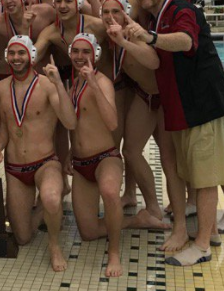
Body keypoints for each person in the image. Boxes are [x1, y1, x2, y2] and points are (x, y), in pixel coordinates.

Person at [129, 0, 224, 266]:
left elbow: (186, 41)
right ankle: (207, 232)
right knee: (194, 175)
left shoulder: (182, 10)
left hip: (202, 107)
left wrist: (149, 38)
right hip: (184, 108)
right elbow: (155, 59)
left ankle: (201, 246)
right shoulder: (158, 18)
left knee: (203, 180)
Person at [65, 34, 169, 277]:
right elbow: (78, 124)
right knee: (88, 233)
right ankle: (137, 221)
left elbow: (112, 122)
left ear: (95, 56)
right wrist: (71, 150)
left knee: (111, 192)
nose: (80, 57)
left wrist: (92, 83)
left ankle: (114, 254)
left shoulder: (101, 82)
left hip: (105, 157)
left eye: (86, 52)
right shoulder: (72, 85)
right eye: (76, 52)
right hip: (81, 163)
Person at [102, 0, 189, 251]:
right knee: (130, 151)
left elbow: (153, 61)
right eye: (105, 12)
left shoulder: (135, 32)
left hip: (164, 101)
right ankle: (152, 206)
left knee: (169, 159)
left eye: (115, 11)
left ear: (126, 13)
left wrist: (124, 42)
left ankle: (181, 218)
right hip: (143, 97)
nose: (110, 17)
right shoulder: (104, 35)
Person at [0, 35, 77, 272]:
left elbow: (69, 121)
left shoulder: (46, 85)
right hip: (15, 169)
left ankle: (54, 246)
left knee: (50, 197)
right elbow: (6, 127)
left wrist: (58, 84)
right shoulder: (0, 88)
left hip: (45, 163)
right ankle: (47, 212)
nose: (16, 58)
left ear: (32, 57)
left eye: (21, 53)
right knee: (23, 237)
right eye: (12, 54)